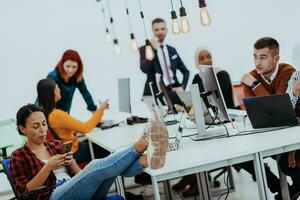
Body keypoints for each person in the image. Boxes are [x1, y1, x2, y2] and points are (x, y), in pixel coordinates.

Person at [10, 104, 151, 200]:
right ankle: (141, 149)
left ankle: (147, 160)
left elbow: (81, 177)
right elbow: (24, 193)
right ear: (22, 129)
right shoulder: (19, 155)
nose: (42, 130)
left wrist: (71, 163)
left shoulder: (55, 145)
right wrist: (48, 167)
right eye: (36, 126)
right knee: (96, 165)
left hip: (78, 191)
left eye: (44, 124)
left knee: (110, 170)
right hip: (52, 196)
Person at [172, 47, 237, 197]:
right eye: (202, 58)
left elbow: (214, 101)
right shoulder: (197, 77)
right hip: (209, 120)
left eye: (208, 56)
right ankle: (192, 176)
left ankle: (198, 181)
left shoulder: (221, 74)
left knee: (197, 143)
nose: (206, 60)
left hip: (226, 121)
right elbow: (196, 100)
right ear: (196, 61)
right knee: (189, 140)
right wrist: (186, 107)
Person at [241, 37, 300, 199]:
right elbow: (251, 110)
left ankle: (295, 187)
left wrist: (255, 86)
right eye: (255, 56)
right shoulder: (252, 76)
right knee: (241, 157)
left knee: (287, 162)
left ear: (276, 59)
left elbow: (279, 109)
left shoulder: (288, 72)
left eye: (263, 57)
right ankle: (279, 188)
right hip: (265, 133)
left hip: (287, 132)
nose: (257, 62)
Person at [37, 78, 109, 163]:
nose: (60, 90)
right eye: (57, 88)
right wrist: (101, 109)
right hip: (75, 152)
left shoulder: (44, 114)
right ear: (52, 92)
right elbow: (85, 128)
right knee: (105, 149)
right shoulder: (56, 115)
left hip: (69, 151)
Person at [139, 18, 189, 105]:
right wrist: (153, 49)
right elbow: (144, 69)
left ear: (166, 30)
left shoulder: (172, 50)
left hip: (173, 90)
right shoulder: (146, 49)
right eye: (156, 30)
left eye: (162, 29)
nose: (160, 32)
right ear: (152, 31)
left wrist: (182, 86)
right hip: (156, 93)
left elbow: (186, 71)